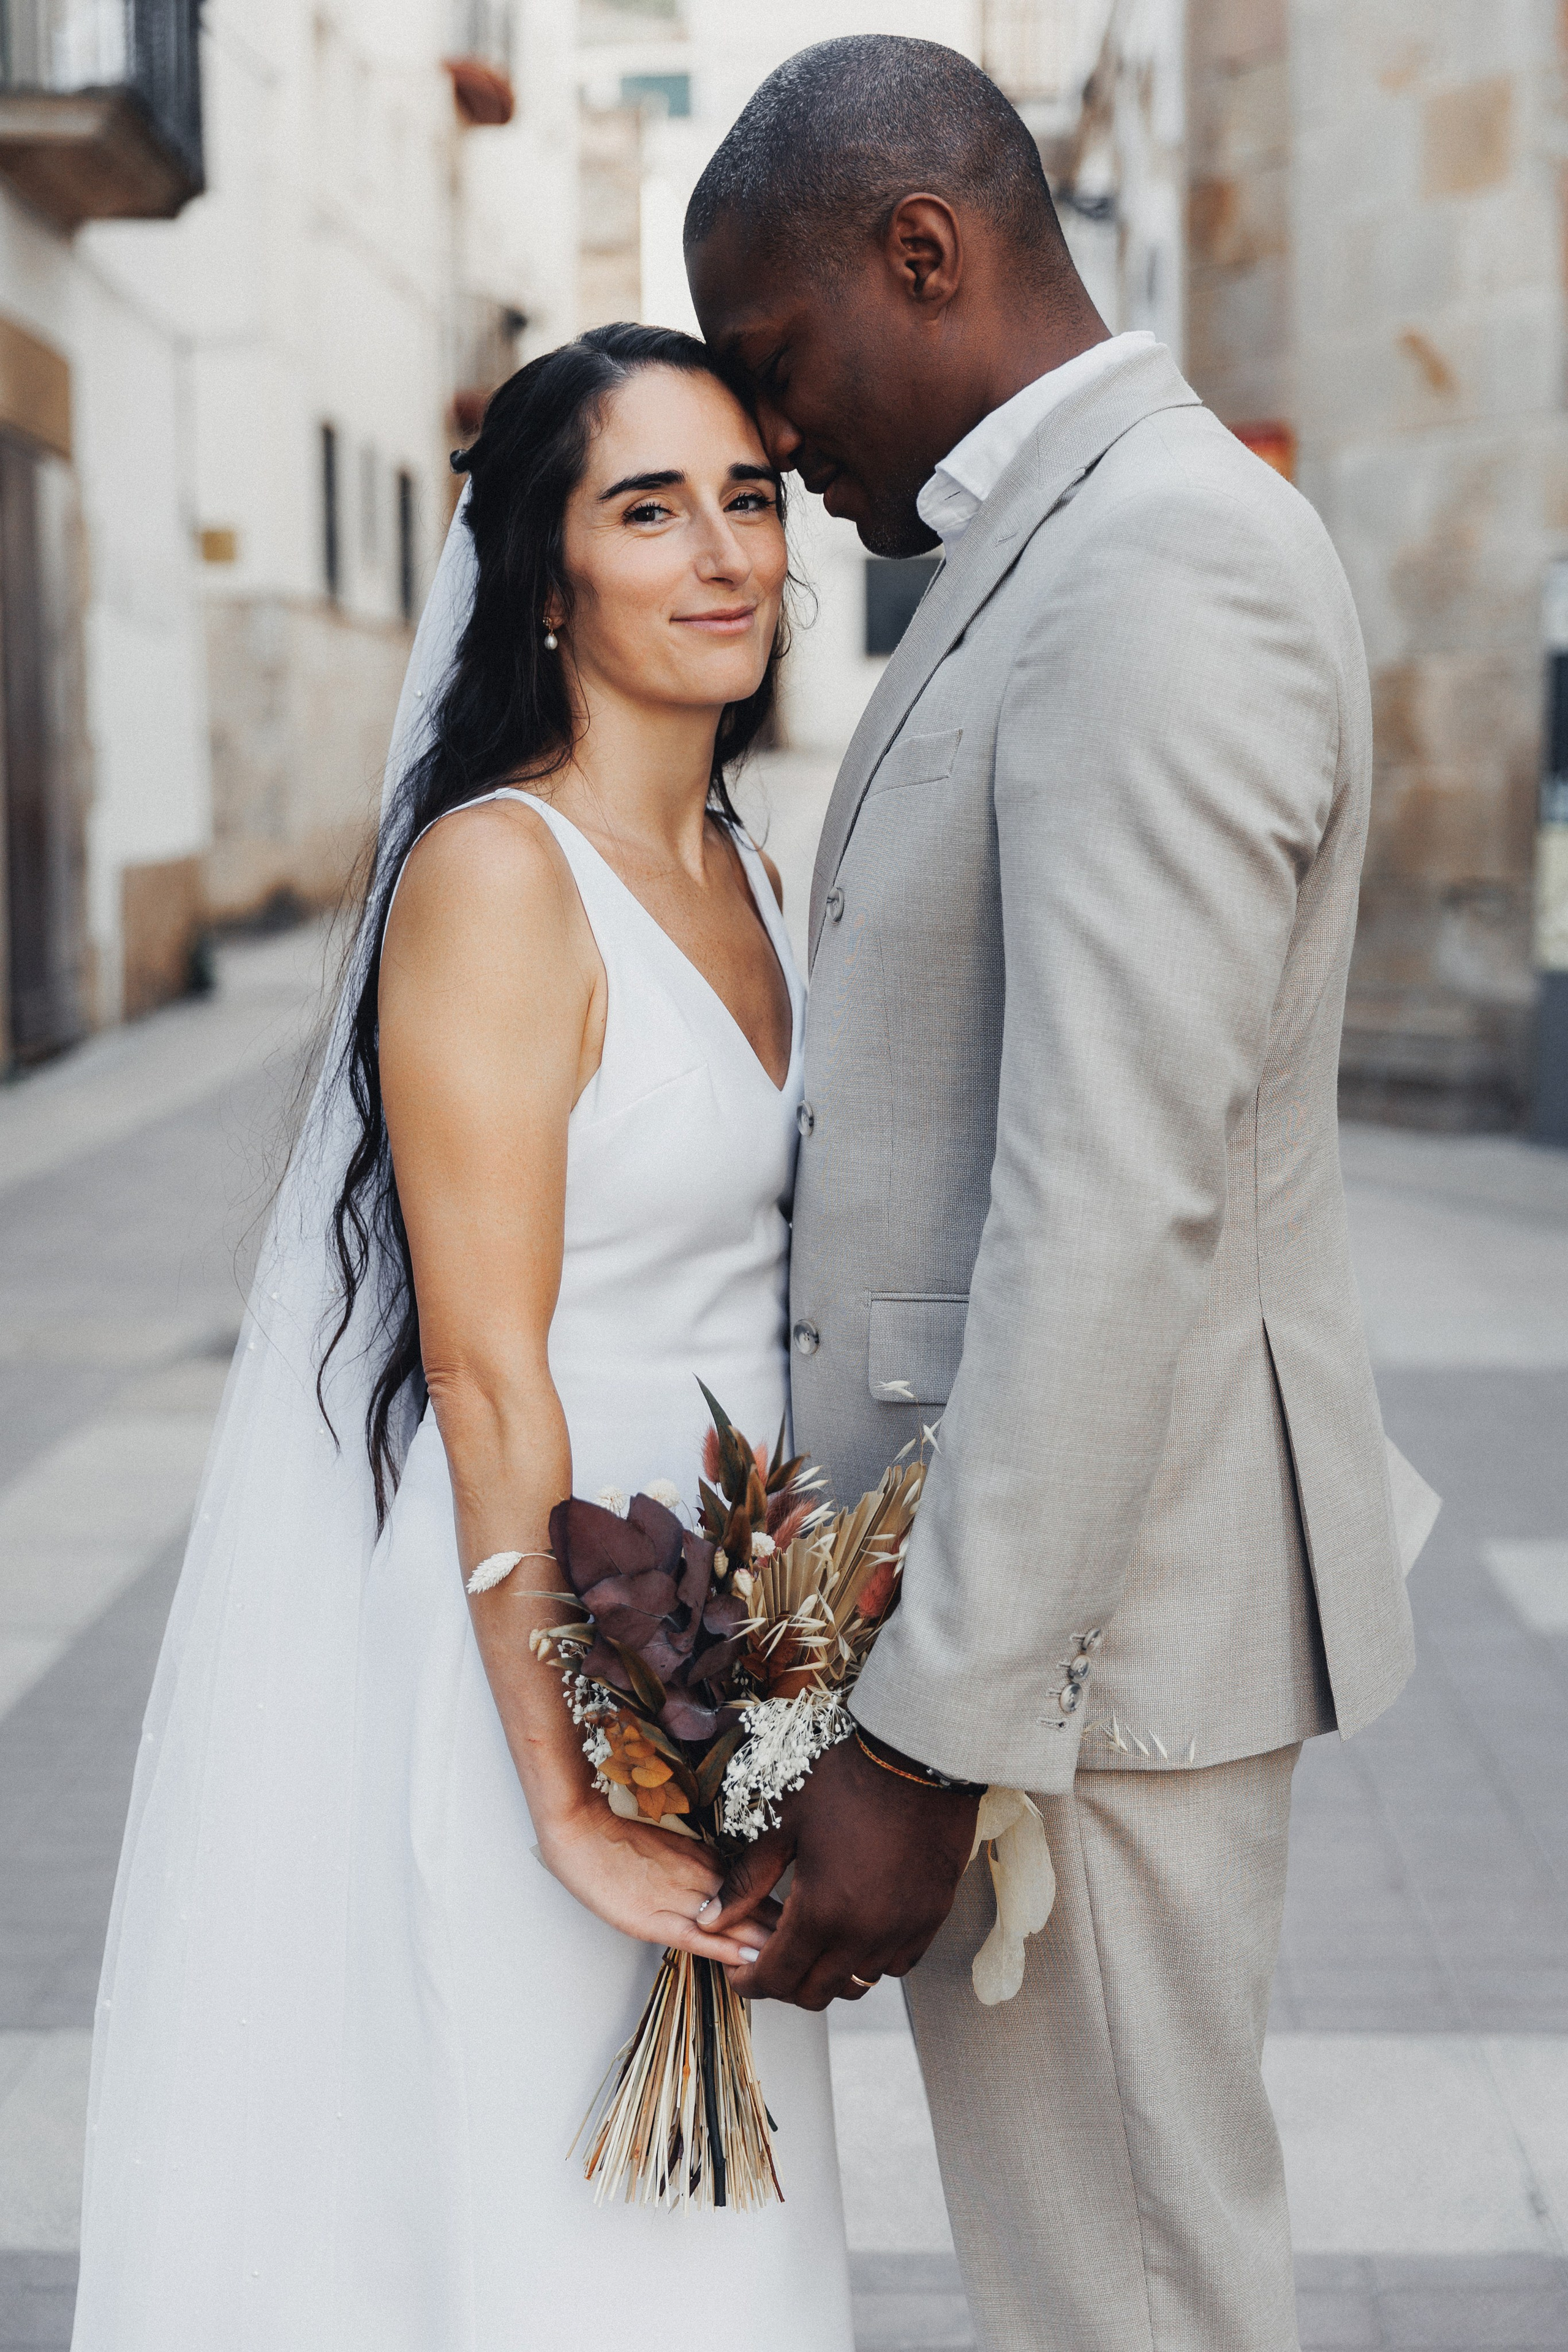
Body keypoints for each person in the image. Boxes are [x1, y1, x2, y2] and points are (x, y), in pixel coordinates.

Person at [685, 36, 1437, 2352]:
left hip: (1085, 1648)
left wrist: (931, 1731)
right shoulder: (1054, 546)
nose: (777, 448)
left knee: (1130, 2297)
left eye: (783, 366)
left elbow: (1116, 1191)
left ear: (930, 250)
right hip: (1043, 1615)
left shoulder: (1162, 560)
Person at [71, 326, 854, 2350]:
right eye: (647, 508)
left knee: (711, 2236)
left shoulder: (756, 868)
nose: (722, 556)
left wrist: (791, 1676)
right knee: (550, 2242)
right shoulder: (503, 879)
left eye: (748, 499)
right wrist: (572, 1793)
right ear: (543, 579)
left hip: (733, 1652)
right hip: (547, 1648)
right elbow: (492, 1367)